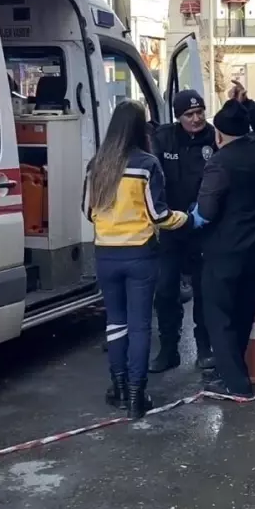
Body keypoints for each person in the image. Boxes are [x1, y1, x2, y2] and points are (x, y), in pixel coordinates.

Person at [83, 100, 190, 419]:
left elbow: (88, 211)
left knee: (116, 323)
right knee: (140, 325)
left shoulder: (97, 165)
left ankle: (117, 388)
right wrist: (185, 219)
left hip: (106, 255)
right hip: (140, 255)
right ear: (140, 128)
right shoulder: (146, 164)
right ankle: (136, 397)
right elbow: (159, 215)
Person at [191, 83, 255, 397]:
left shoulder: (220, 162)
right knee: (242, 312)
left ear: (218, 135)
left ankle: (234, 382)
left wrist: (189, 216)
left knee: (219, 317)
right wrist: (248, 104)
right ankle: (236, 372)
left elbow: (206, 211)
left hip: (225, 253)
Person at [149, 89, 214, 374]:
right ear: (178, 117)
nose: (196, 118)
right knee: (165, 291)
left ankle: (204, 348)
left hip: (203, 229)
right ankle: (168, 350)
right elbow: (153, 179)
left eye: (200, 112)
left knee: (204, 291)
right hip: (171, 228)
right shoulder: (164, 138)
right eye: (189, 114)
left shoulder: (214, 137)